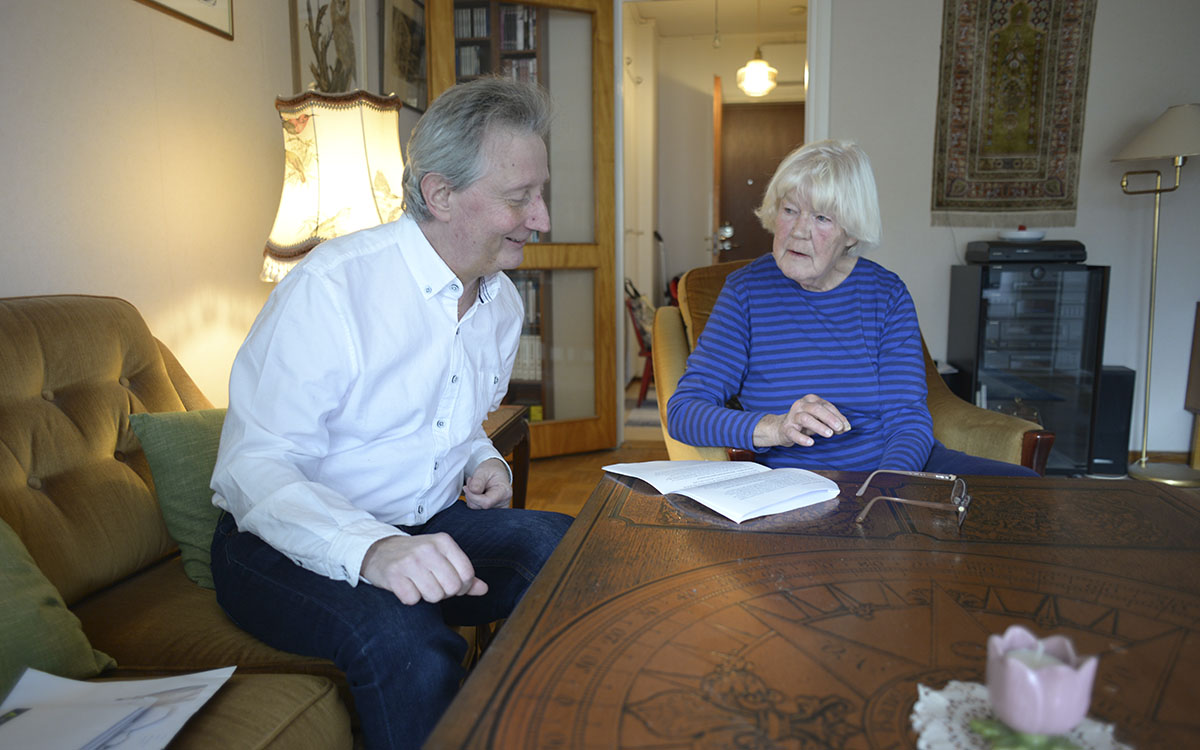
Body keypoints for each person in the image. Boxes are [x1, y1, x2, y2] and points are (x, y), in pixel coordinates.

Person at [209, 77, 574, 749]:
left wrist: (481, 455)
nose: (542, 218)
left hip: (424, 521)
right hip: (279, 544)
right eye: (520, 197)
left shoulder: (498, 301)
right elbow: (252, 468)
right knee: (405, 640)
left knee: (569, 552)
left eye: (540, 192)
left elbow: (455, 418)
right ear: (439, 194)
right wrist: (373, 547)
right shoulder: (332, 289)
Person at [666, 139, 1036, 477]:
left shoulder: (886, 295)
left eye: (822, 218)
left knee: (1025, 490)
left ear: (852, 233)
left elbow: (908, 420)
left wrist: (883, 489)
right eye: (790, 210)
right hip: (795, 481)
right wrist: (776, 428)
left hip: (892, 470)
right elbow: (684, 411)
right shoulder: (745, 292)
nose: (798, 231)